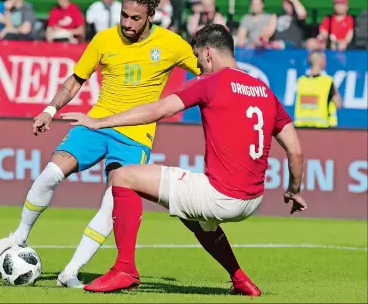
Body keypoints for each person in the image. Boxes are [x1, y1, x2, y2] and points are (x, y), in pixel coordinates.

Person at [0, 0, 200, 288]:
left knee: (113, 201)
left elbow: (208, 75)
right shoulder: (103, 40)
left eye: (135, 18)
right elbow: (75, 80)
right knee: (50, 173)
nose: (127, 23)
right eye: (123, 15)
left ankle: (70, 272)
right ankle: (18, 236)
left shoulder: (172, 44)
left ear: (151, 14)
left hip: (135, 136)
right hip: (95, 123)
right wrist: (49, 109)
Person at [62, 24, 307, 295]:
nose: (199, 66)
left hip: (220, 196)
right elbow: (295, 150)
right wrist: (294, 191)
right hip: (252, 201)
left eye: (198, 58)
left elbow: (157, 109)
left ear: (208, 52)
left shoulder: (211, 82)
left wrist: (99, 122)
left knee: (122, 176)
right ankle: (240, 280)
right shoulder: (265, 92)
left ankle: (124, 270)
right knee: (188, 210)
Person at [294, 51, 342, 128]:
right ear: (321, 61)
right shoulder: (327, 81)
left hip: (301, 128)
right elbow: (338, 104)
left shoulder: (300, 81)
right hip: (322, 129)